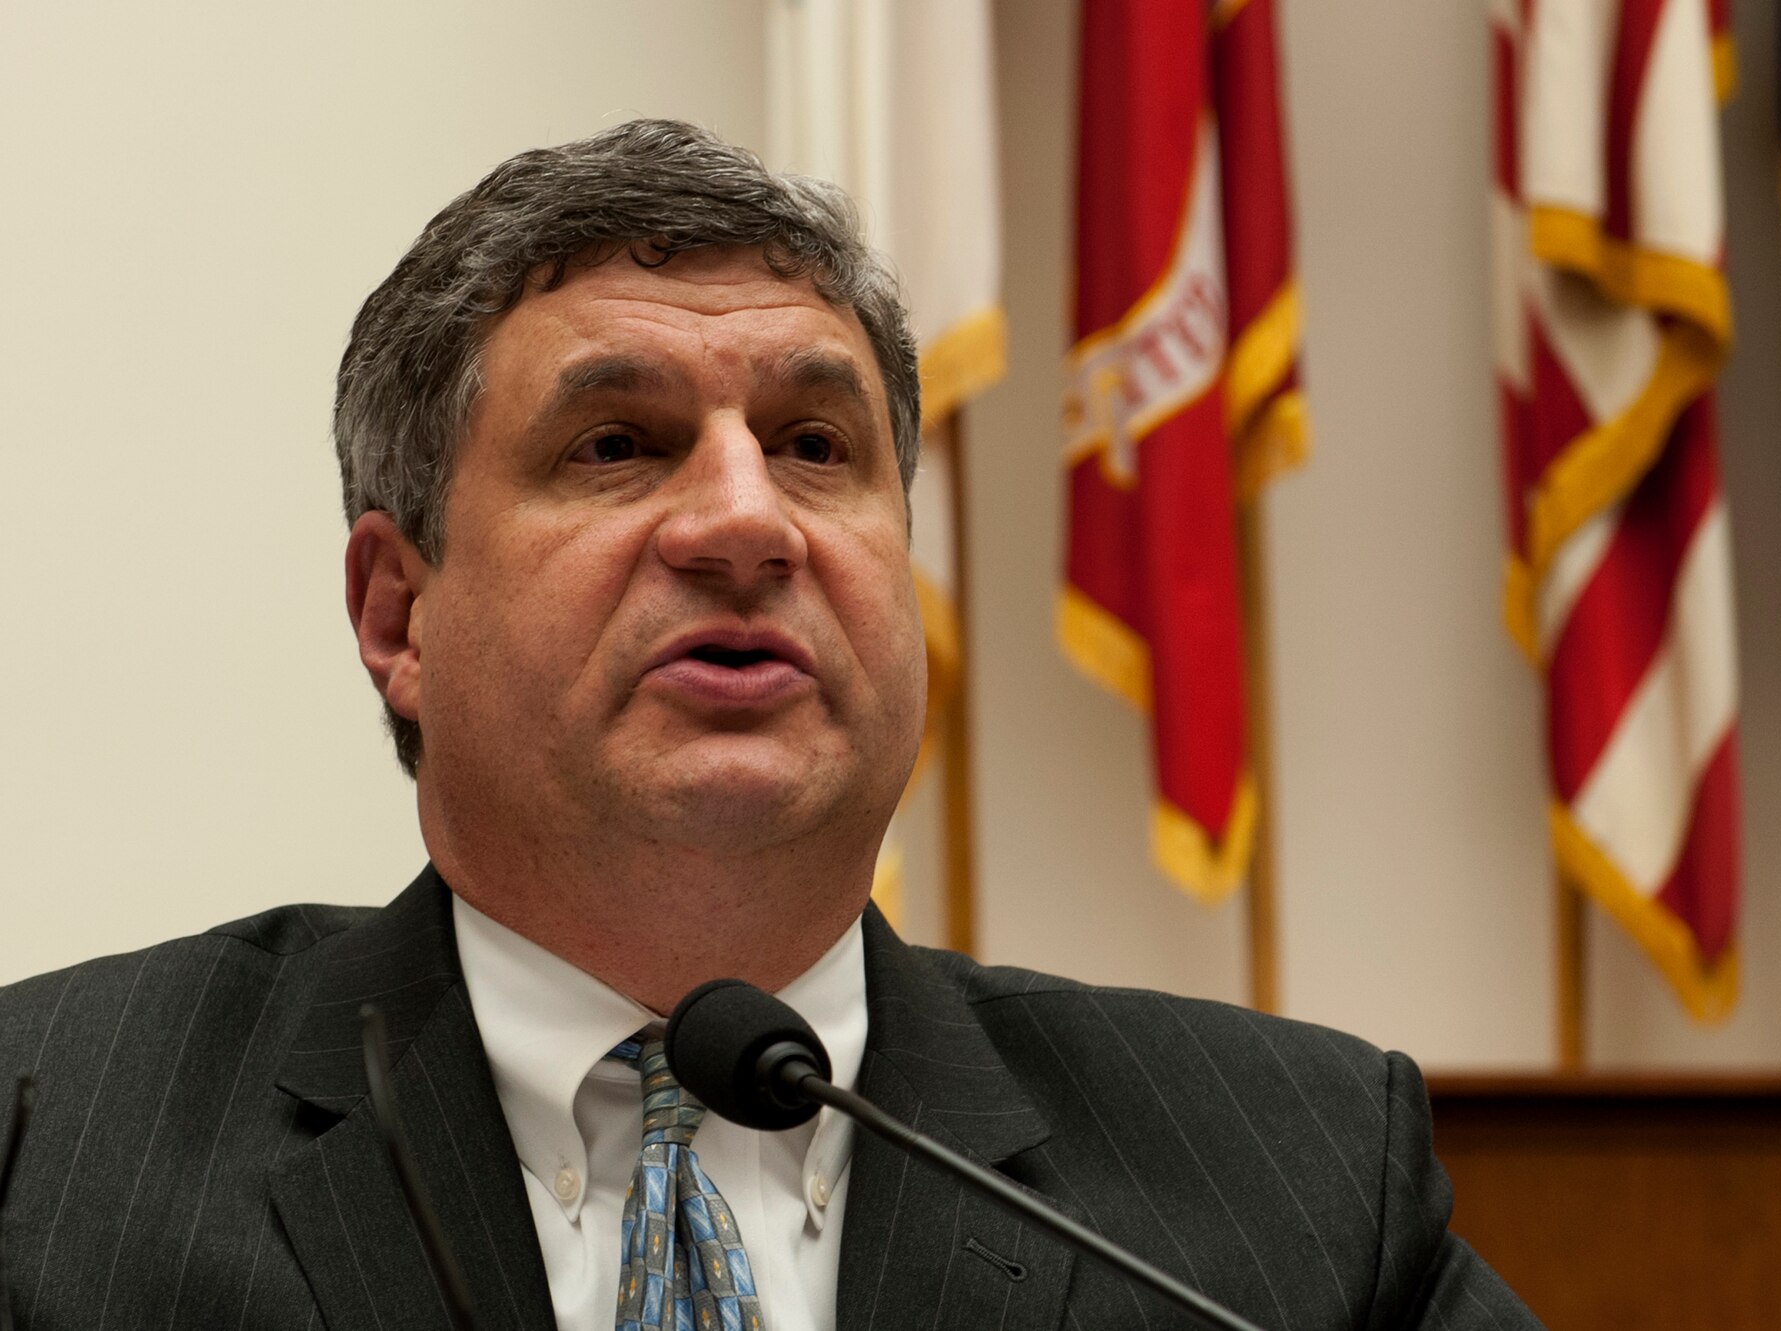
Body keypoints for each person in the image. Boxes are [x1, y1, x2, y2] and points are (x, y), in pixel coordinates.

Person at [0, 120, 1539, 1330]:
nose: (748, 522)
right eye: (618, 445)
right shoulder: (45, 1147)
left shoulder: (1300, 1182)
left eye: (815, 445)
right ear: (401, 615)